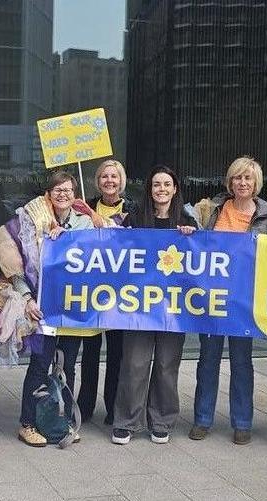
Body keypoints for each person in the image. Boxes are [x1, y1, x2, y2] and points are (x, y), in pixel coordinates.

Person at [12, 171, 110, 447]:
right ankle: (28, 423)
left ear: (75, 194)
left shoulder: (85, 222)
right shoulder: (33, 219)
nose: (63, 194)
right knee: (40, 365)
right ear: (49, 193)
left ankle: (62, 420)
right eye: (57, 190)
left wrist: (66, 237)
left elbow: (98, 249)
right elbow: (17, 264)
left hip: (72, 308)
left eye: (68, 190)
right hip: (44, 307)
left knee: (68, 365)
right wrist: (27, 298)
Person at [190, 156, 267, 443]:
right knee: (208, 359)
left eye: (248, 178)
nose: (242, 183)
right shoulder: (210, 210)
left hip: (244, 300)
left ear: (256, 183)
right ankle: (202, 419)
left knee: (242, 362)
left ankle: (242, 422)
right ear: (230, 182)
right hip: (212, 297)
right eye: (237, 178)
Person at [111, 165, 197, 445]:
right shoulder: (135, 217)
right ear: (150, 189)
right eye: (156, 184)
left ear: (175, 189)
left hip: (174, 307)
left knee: (165, 364)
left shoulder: (187, 220)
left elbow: (201, 260)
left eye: (166, 184)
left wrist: (191, 237)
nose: (161, 189)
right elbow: (111, 244)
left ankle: (161, 420)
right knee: (134, 363)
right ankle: (126, 421)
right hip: (139, 305)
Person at [77, 158, 135, 424]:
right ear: (97, 181)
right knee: (89, 352)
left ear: (121, 181)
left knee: (117, 355)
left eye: (114, 176)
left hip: (122, 293)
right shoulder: (84, 207)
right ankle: (85, 406)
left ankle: (114, 408)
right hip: (91, 290)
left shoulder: (134, 209)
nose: (109, 181)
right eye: (104, 177)